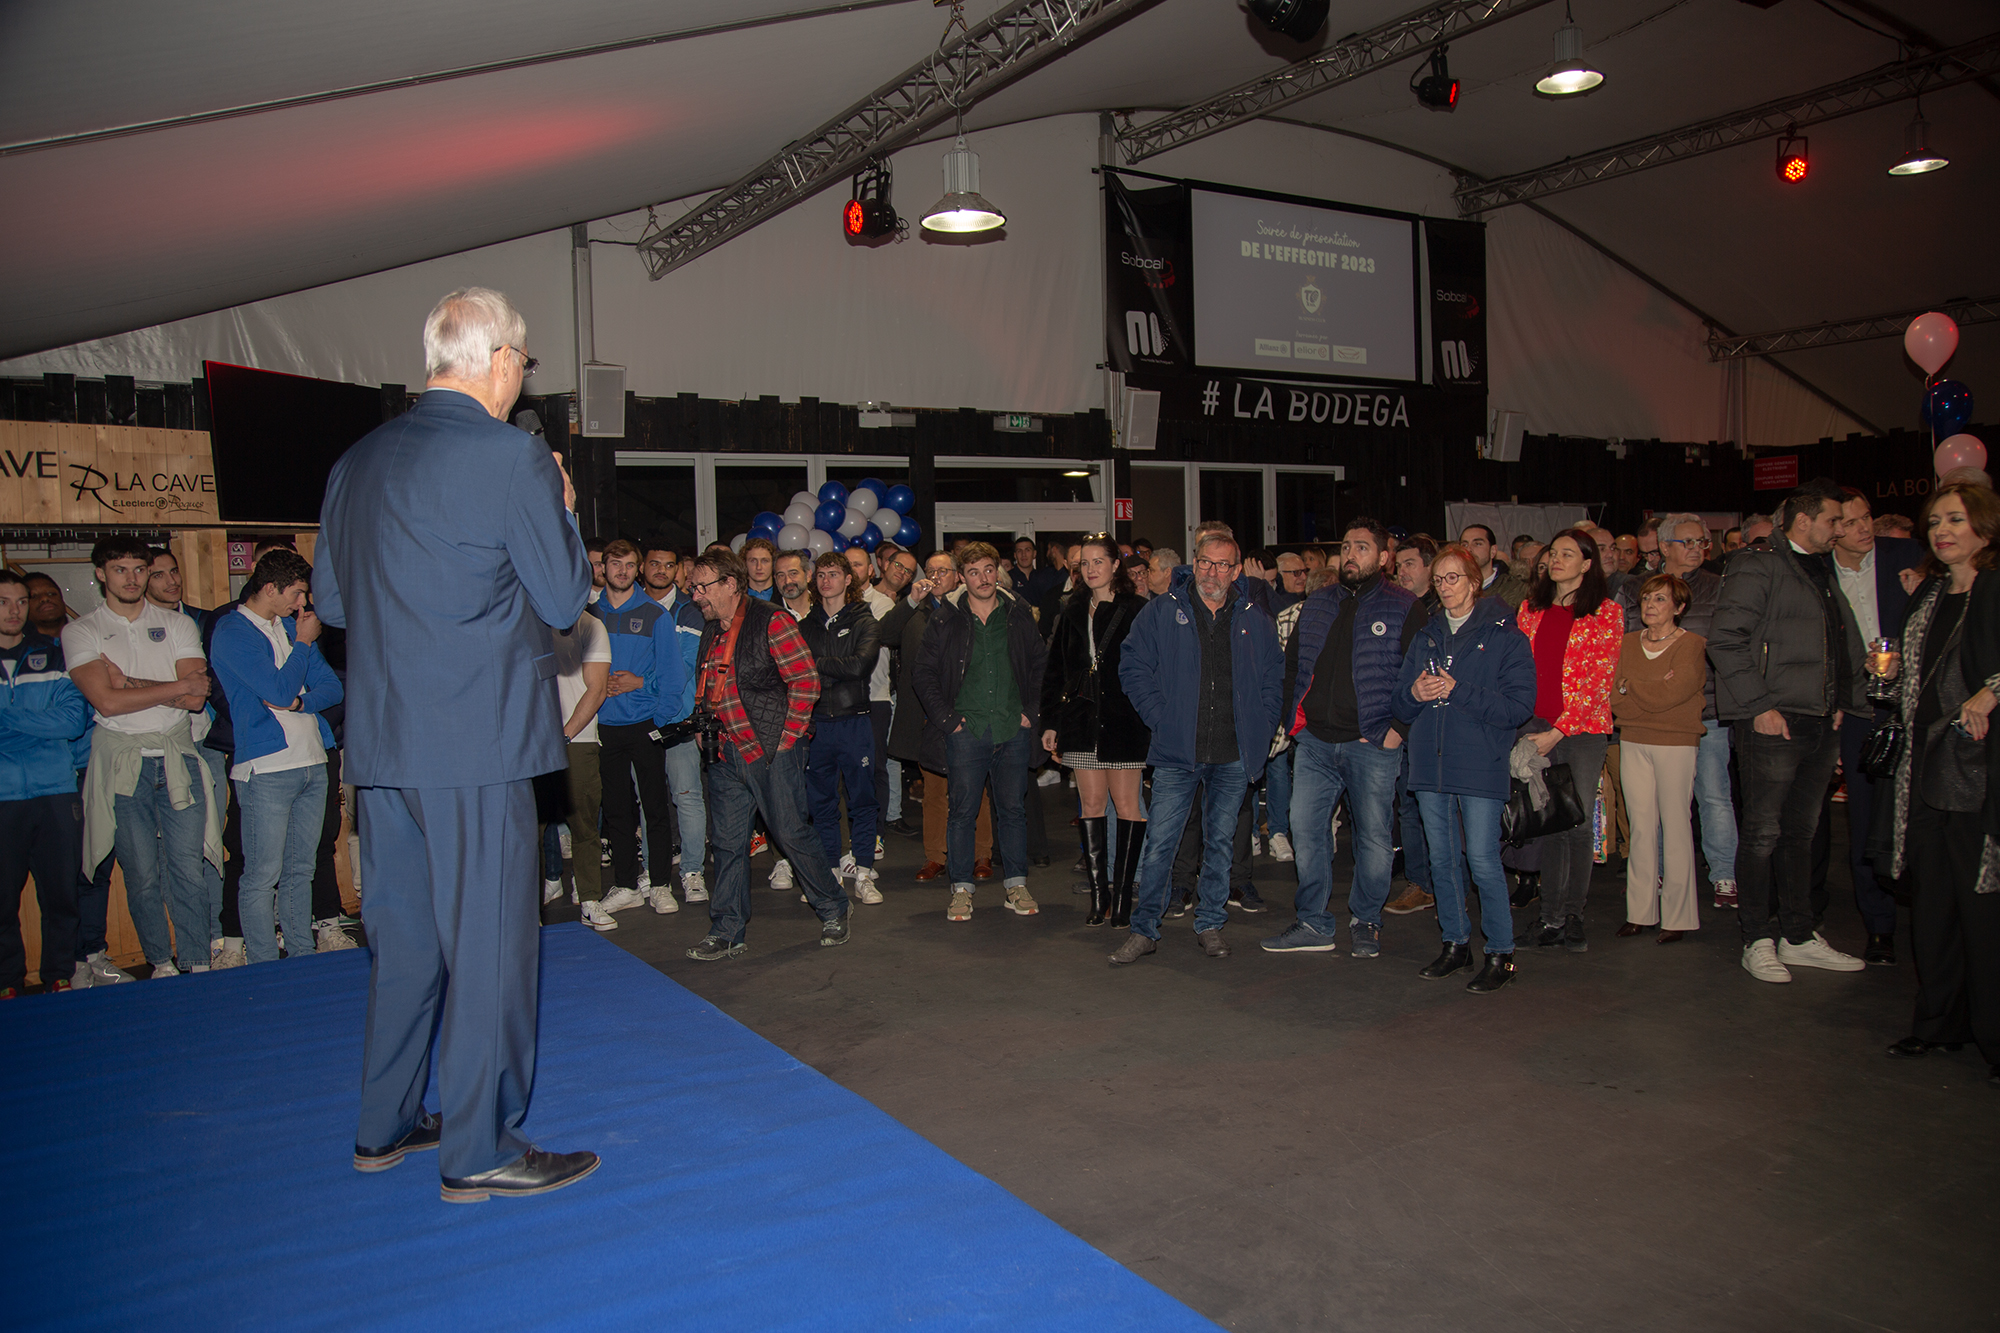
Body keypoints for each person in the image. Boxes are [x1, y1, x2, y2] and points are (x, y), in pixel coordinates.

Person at [317, 286, 598, 1202]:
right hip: (476, 743)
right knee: (489, 947)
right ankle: (479, 1145)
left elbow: (331, 605)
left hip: (383, 745)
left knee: (402, 944)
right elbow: (563, 600)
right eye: (524, 360)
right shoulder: (512, 456)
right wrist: (561, 506)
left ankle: (384, 1122)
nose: (522, 376)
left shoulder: (356, 460)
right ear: (501, 359)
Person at [1709, 477, 1868, 984]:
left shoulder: (1820, 567)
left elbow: (1837, 642)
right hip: (1772, 719)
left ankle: (1797, 935)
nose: (1839, 529)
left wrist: (1840, 701)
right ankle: (1756, 938)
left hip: (1818, 717)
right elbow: (1725, 639)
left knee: (1801, 833)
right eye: (1833, 520)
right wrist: (1758, 706)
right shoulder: (1758, 563)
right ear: (1803, 521)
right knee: (1762, 833)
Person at [1112, 532, 1283, 964]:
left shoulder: (1255, 618)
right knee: (1160, 844)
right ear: (1193, 562)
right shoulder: (1162, 611)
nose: (1212, 572)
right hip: (1176, 752)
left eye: (1223, 565)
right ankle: (1144, 930)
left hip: (1233, 755)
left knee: (1220, 843)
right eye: (1206, 562)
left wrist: (1261, 728)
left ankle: (1209, 923)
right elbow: (1133, 664)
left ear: (1236, 571)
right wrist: (1160, 717)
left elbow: (1273, 678)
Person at [1262, 518, 1426, 958]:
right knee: (1305, 829)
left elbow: (1418, 675)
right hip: (1315, 741)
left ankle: (1366, 920)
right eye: (1348, 547)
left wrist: (1398, 730)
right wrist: (1293, 720)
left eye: (1362, 547)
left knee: (1373, 837)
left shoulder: (1405, 606)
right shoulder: (1317, 602)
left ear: (1384, 558)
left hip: (1371, 743)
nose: (1351, 554)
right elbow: (1293, 666)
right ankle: (1313, 922)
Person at [1881, 483, 1999, 1084]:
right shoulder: (1929, 592)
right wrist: (1890, 671)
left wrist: (1994, 688)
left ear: (1985, 525)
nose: (1942, 531)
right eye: (1935, 522)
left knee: (1983, 911)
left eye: (1956, 519)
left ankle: (1994, 1037)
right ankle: (1938, 1023)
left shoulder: (1995, 586)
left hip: (1979, 772)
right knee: (1933, 906)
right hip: (1924, 768)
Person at [64, 535, 220, 978]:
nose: (131, 579)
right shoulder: (82, 630)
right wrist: (175, 687)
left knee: (188, 868)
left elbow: (196, 699)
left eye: (139, 569)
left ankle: (197, 962)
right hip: (123, 762)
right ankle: (161, 962)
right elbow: (106, 702)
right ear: (101, 574)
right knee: (142, 874)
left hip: (177, 755)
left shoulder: (177, 623)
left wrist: (127, 681)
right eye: (120, 570)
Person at [684, 548, 851, 959]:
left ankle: (833, 907)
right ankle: (727, 929)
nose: (696, 596)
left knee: (790, 833)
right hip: (725, 754)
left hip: (771, 750)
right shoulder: (712, 629)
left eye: (703, 587)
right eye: (693, 588)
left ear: (730, 584)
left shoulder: (771, 619)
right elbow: (710, 685)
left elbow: (806, 680)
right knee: (727, 844)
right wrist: (701, 721)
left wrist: (787, 738)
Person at [1391, 543, 1536, 990]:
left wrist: (1458, 690)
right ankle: (1455, 944)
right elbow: (1399, 702)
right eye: (1439, 579)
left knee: (1484, 861)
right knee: (1442, 861)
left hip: (1479, 763)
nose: (1445, 586)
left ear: (1475, 582)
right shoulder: (1426, 635)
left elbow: (1518, 707)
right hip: (1430, 765)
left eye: (1453, 577)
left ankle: (1501, 954)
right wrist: (1414, 694)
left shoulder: (1505, 636)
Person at [208, 548, 342, 964]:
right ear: (270, 588)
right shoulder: (232, 631)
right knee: (262, 875)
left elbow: (332, 688)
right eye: (297, 593)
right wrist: (302, 643)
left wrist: (302, 704)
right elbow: (279, 690)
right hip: (267, 768)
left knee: (301, 869)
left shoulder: (287, 626)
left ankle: (302, 954)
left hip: (312, 760)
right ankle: (265, 965)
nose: (303, 603)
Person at [914, 543, 1048, 922]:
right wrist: (948, 720)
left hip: (1012, 729)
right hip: (966, 731)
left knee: (1013, 811)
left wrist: (1031, 712)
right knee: (961, 812)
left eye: (988, 569)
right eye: (973, 572)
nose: (983, 578)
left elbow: (1041, 664)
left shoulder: (1018, 614)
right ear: (962, 577)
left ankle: (1016, 885)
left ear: (997, 572)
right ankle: (961, 889)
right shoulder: (945, 618)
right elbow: (923, 673)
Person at [1824, 488, 1925, 963]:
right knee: (1864, 820)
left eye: (1866, 517)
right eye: (1851, 521)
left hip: (1914, 707)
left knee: (1920, 814)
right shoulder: (1821, 573)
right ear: (1832, 530)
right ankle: (1879, 926)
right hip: (1858, 711)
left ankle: (1932, 916)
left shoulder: (1909, 556)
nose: (1864, 527)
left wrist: (1925, 588)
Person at [1513, 529, 1622, 953]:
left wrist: (1557, 732)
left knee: (1577, 822)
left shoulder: (1606, 612)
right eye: (1553, 553)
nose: (1556, 560)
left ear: (1587, 564)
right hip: (1536, 723)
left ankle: (1572, 915)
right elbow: (1519, 669)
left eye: (1567, 554)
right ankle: (1550, 918)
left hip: (1581, 730)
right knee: (1550, 823)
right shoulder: (1531, 609)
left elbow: (1598, 681)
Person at [1040, 535, 1150, 926]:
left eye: (1098, 561)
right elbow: (1056, 670)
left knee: (1128, 807)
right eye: (1083, 563)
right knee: (1090, 808)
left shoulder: (1138, 609)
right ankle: (1099, 894)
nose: (1090, 569)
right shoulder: (1071, 609)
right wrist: (1051, 721)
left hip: (1124, 722)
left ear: (1116, 564)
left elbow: (1152, 669)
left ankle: (1123, 896)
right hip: (1082, 722)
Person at [0, 570, 92, 995]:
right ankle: (7, 982)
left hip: (56, 790)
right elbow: (54, 723)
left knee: (62, 895)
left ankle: (59, 974)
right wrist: (40, 725)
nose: (15, 610)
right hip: (4, 796)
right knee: (3, 899)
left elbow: (72, 722)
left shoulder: (55, 655)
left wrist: (6, 720)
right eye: (4, 602)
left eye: (21, 602)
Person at [586, 539, 687, 916]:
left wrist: (658, 719)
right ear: (603, 568)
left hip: (645, 724)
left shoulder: (655, 615)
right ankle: (627, 884)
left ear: (639, 569)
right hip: (603, 727)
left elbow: (673, 676)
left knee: (656, 809)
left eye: (630, 565)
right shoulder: (589, 615)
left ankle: (660, 884)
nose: (622, 571)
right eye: (615, 564)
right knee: (616, 811)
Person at [1610, 575, 1707, 942]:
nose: (1650, 605)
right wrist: (1640, 690)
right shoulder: (1627, 643)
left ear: (1679, 607)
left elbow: (1675, 693)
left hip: (1676, 742)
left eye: (1661, 599)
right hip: (1633, 738)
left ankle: (1678, 918)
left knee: (1676, 826)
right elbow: (1613, 696)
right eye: (1647, 598)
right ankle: (1640, 912)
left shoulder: (1691, 644)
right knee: (1640, 828)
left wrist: (1631, 686)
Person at [1651, 513, 1739, 911]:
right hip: (1655, 713)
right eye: (1686, 542)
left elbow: (1730, 645)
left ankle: (1724, 874)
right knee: (1660, 800)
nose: (1696, 549)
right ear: (1664, 546)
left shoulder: (1720, 588)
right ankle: (1660, 871)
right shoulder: (1642, 588)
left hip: (1707, 710)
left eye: (1701, 542)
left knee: (1714, 795)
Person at [800, 552, 883, 904]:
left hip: (854, 721)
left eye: (833, 574)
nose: (826, 581)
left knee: (862, 800)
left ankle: (863, 872)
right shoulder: (805, 626)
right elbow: (796, 671)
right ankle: (830, 873)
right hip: (816, 724)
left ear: (848, 580)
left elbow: (859, 666)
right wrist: (834, 665)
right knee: (820, 803)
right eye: (821, 575)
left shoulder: (865, 620)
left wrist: (816, 662)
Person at [645, 542, 709, 908]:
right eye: (654, 563)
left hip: (679, 721)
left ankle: (692, 871)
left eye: (669, 565)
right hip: (639, 720)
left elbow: (684, 666)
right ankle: (651, 872)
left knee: (687, 797)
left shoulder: (692, 611)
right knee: (648, 801)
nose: (661, 570)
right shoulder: (633, 608)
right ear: (643, 568)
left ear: (678, 571)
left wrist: (640, 684)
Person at [541, 609, 611, 927]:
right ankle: (527, 910)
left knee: (584, 826)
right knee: (529, 830)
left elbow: (596, 689)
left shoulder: (590, 626)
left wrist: (564, 735)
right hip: (532, 742)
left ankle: (589, 899)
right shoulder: (523, 619)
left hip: (577, 739)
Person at [1461, 525, 1526, 609]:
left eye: (1477, 544)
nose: (1469, 549)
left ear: (1493, 551)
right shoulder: (1452, 587)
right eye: (1464, 545)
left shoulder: (1516, 589)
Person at [23, 573, 71, 639]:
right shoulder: (16, 644)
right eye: (34, 596)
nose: (44, 598)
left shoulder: (82, 637)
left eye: (51, 593)